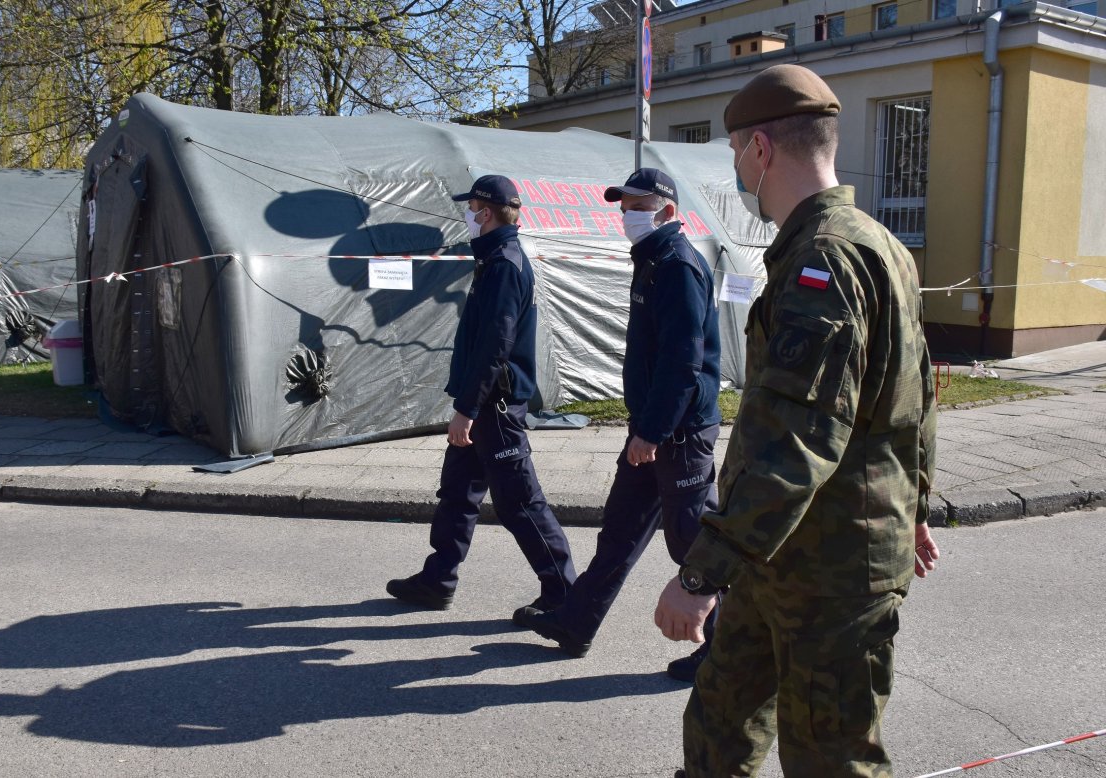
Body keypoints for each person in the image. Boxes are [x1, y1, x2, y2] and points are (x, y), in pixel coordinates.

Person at [654, 64, 940, 777]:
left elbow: (797, 439)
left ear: (760, 150)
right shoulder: (876, 245)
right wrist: (917, 506)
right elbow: (917, 394)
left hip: (832, 569)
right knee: (719, 724)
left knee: (830, 758)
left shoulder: (826, 258)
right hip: (777, 555)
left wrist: (700, 575)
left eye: (733, 156)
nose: (736, 170)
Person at [517, 167, 723, 681]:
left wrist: (651, 432)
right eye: (624, 205)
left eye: (638, 205)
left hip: (676, 435)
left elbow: (683, 362)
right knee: (619, 534)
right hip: (652, 429)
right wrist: (645, 429)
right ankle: (575, 622)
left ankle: (726, 655)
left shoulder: (677, 266)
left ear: (668, 212)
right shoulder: (652, 260)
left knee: (695, 547)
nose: (627, 215)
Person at [387, 174, 576, 615]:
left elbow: (496, 345)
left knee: (521, 504)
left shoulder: (505, 265)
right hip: (484, 403)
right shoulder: (493, 259)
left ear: (486, 212)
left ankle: (564, 594)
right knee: (458, 493)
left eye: (471, 209)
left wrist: (467, 410)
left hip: (494, 407)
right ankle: (438, 580)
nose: (468, 216)